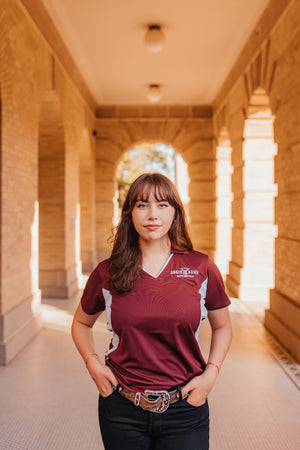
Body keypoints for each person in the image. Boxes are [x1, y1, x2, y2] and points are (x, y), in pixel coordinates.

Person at [72, 172, 232, 450]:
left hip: (185, 406)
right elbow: (80, 323)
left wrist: (212, 373)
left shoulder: (200, 267)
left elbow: (223, 326)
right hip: (122, 407)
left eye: (162, 205)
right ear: (129, 214)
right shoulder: (107, 272)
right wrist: (93, 364)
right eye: (142, 205)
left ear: (175, 213)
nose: (152, 215)